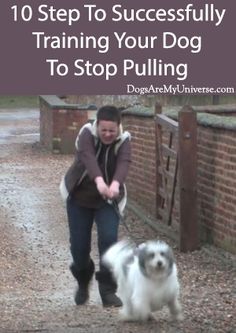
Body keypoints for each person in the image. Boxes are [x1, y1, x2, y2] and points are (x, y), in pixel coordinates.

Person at [60, 105, 131, 307]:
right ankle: (83, 278)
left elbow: (124, 163)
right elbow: (88, 158)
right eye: (104, 130)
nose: (108, 134)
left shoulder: (124, 140)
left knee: (109, 241)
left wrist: (115, 184)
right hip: (79, 197)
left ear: (118, 127)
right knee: (79, 248)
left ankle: (108, 291)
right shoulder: (86, 134)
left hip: (108, 200)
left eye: (112, 130)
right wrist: (100, 181)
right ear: (97, 125)